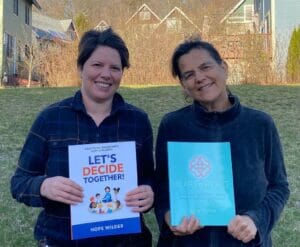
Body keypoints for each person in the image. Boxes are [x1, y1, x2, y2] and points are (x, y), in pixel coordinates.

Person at [10, 28, 154, 247]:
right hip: (61, 241)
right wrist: (43, 186)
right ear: (80, 68)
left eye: (115, 68)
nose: (106, 74)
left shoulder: (137, 121)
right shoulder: (51, 119)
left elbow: (148, 178)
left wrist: (149, 193)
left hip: (126, 241)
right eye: (97, 65)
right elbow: (19, 183)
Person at [154, 38, 289, 246]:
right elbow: (162, 185)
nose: (199, 78)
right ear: (183, 85)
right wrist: (168, 215)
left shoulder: (260, 124)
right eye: (189, 75)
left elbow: (279, 186)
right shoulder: (173, 126)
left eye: (205, 67)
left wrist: (256, 220)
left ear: (224, 68)